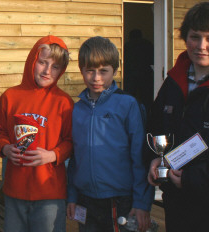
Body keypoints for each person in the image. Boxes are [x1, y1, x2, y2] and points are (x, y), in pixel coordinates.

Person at [146, 2, 209, 231]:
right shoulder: (173, 83)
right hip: (178, 209)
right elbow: (154, 128)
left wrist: (193, 179)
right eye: (195, 36)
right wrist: (155, 159)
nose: (201, 46)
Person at [66, 36, 154, 232]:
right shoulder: (77, 110)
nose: (96, 78)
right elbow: (74, 157)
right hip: (85, 199)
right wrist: (72, 196)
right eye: (90, 71)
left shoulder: (128, 105)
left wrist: (141, 202)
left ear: (115, 70)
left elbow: (140, 157)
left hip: (119, 199)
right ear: (81, 70)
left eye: (103, 71)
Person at [0, 35, 73, 232]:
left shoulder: (64, 102)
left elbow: (70, 141)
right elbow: (0, 131)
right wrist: (5, 147)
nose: (47, 71)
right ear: (33, 60)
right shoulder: (10, 97)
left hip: (50, 192)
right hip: (15, 190)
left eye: (55, 67)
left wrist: (52, 155)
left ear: (61, 70)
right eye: (42, 62)